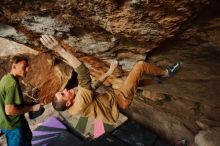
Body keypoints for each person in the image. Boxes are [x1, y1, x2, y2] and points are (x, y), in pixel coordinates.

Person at [40, 35, 181, 124]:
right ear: (69, 102)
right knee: (140, 66)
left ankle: (155, 81)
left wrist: (108, 72)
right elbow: (82, 72)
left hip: (115, 96)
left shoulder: (76, 104)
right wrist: (59, 49)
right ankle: (166, 73)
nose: (64, 90)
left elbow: (93, 87)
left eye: (61, 91)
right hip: (121, 99)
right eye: (63, 94)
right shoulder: (80, 103)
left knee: (125, 81)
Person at [0, 55, 41, 146]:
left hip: (8, 122)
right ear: (14, 66)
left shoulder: (6, 78)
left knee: (27, 138)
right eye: (24, 67)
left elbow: (8, 101)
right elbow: (9, 110)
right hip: (14, 125)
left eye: (27, 67)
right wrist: (31, 108)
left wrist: (28, 104)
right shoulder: (12, 84)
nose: (27, 70)